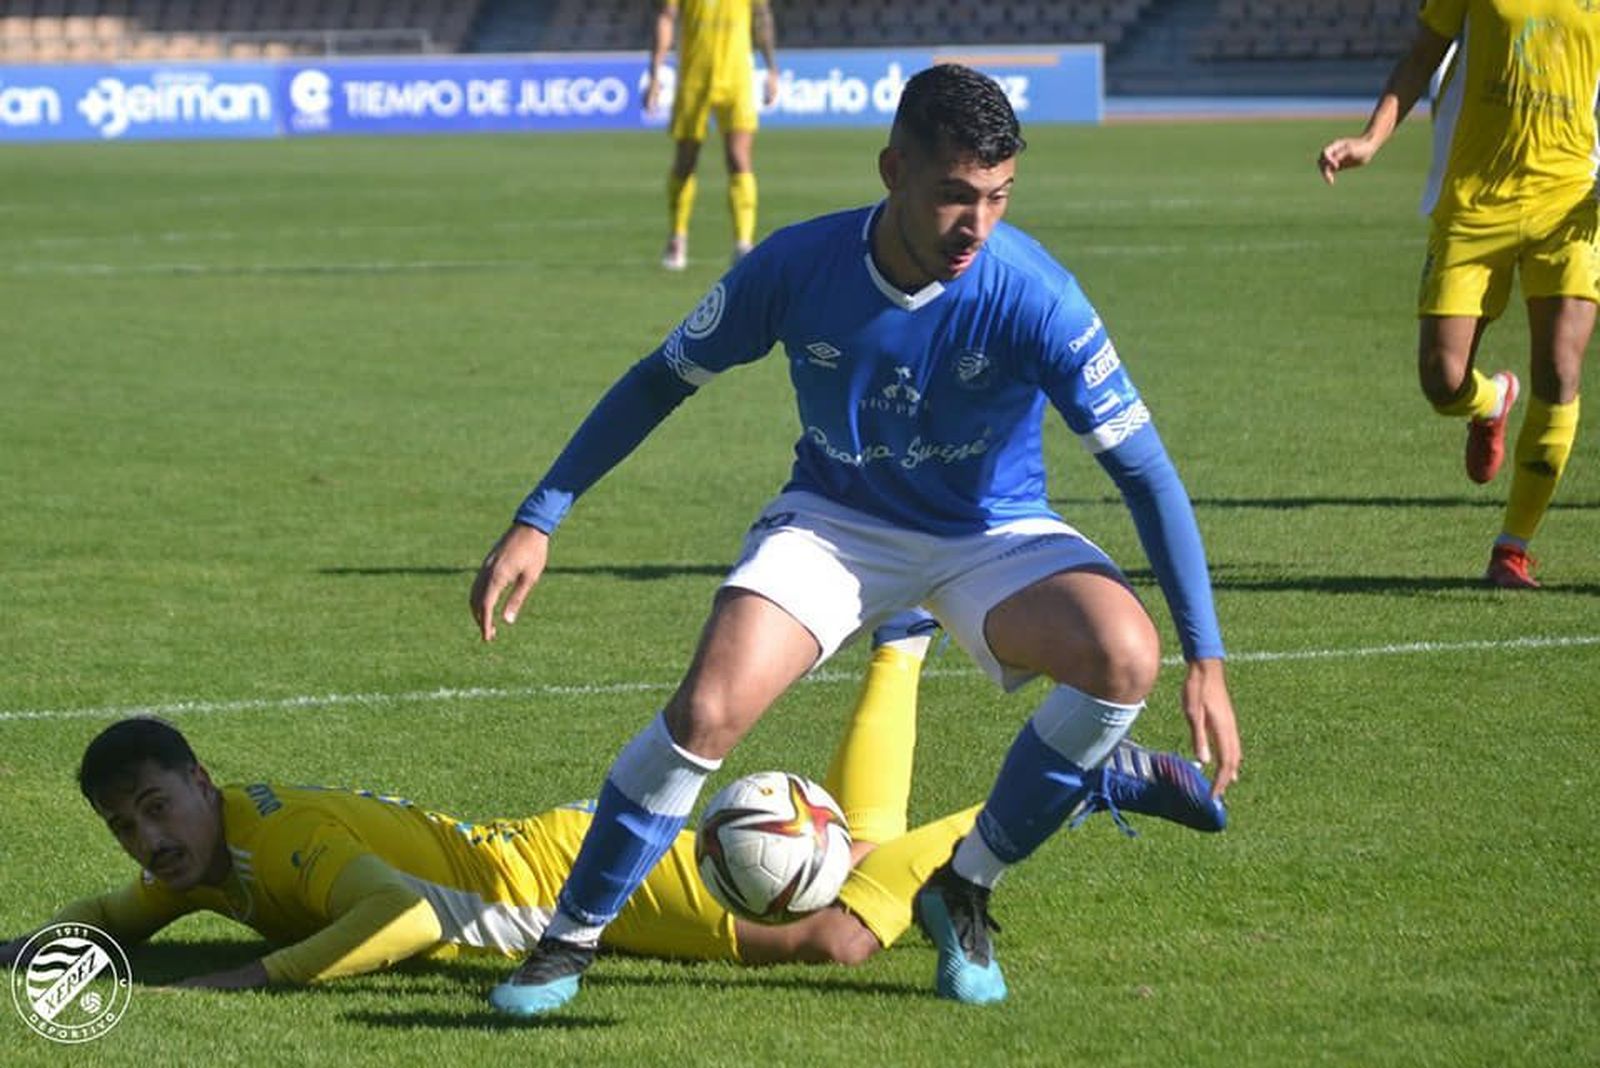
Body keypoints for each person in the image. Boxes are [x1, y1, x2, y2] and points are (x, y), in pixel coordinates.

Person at [470, 63, 1242, 1013]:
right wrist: (541, 515)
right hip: (836, 524)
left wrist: (1204, 656)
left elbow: (1146, 472)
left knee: (1127, 657)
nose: (977, 224)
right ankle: (567, 942)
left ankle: (966, 883)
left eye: (998, 197)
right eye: (955, 194)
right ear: (893, 170)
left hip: (989, 533)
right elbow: (659, 380)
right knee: (709, 707)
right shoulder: (797, 267)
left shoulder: (1035, 295)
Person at [0, 615, 1224, 987]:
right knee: (857, 860)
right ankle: (900, 651)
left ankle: (1085, 778)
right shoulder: (204, 858)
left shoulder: (294, 845)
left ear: (203, 785)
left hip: (564, 880)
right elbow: (126, 916)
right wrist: (25, 954)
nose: (150, 838)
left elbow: (408, 921)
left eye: (159, 807)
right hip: (539, 858)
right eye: (129, 824)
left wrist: (242, 983)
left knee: (839, 930)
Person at [1317, 1, 1598, 588]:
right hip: (1475, 199)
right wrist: (1372, 140)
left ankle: (1512, 548)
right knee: (1442, 378)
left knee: (1559, 370)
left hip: (1572, 200)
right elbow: (1420, 57)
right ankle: (1491, 402)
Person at [644, 0, 779, 270]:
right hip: (694, 77)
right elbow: (666, 17)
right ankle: (677, 235)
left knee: (738, 158)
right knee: (686, 159)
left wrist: (771, 69)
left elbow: (761, 16)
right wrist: (656, 73)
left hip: (737, 75)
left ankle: (743, 242)